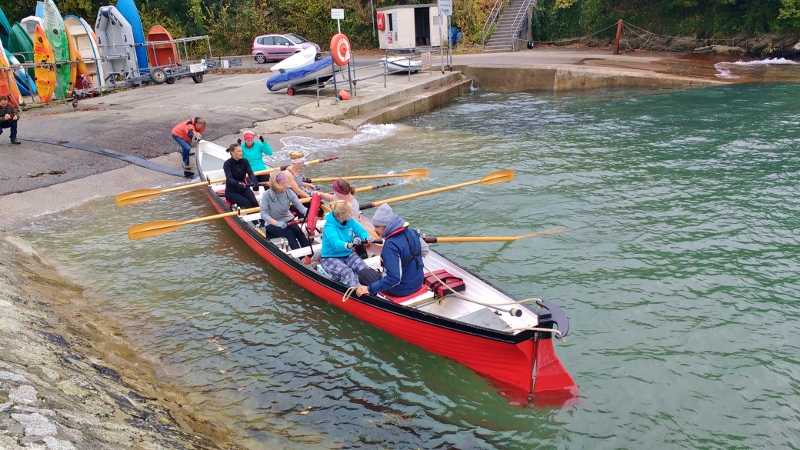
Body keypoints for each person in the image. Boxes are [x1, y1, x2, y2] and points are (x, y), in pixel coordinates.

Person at [355, 204, 429, 298]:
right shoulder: (412, 232)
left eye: (377, 227)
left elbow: (394, 279)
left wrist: (369, 289)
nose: (374, 230)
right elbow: (425, 251)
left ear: (387, 225)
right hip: (418, 283)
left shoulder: (390, 245)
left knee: (363, 273)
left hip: (399, 290)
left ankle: (376, 297)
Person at [320, 200, 375, 287]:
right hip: (329, 258)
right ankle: (356, 291)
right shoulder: (329, 226)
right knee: (348, 273)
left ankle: (373, 288)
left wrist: (366, 237)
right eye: (350, 212)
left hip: (347, 254)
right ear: (341, 215)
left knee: (365, 270)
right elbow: (335, 243)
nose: (352, 213)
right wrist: (349, 245)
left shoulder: (350, 220)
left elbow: (360, 231)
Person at [260, 171, 310, 250]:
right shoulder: (266, 195)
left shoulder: (289, 192)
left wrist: (309, 212)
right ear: (276, 184)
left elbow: (299, 206)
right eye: (282, 183)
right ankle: (300, 256)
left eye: (285, 182)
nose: (285, 185)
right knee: (289, 233)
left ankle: (309, 254)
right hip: (272, 223)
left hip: (287, 219)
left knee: (299, 231)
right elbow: (263, 214)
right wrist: (276, 223)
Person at [223, 143, 259, 210]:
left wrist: (254, 181)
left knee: (255, 203)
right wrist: (238, 183)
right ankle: (251, 217)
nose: (241, 153)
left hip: (244, 188)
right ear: (232, 152)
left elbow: (250, 173)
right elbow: (229, 178)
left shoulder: (245, 161)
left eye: (241, 151)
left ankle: (259, 216)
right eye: (239, 151)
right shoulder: (227, 164)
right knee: (247, 203)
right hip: (232, 191)